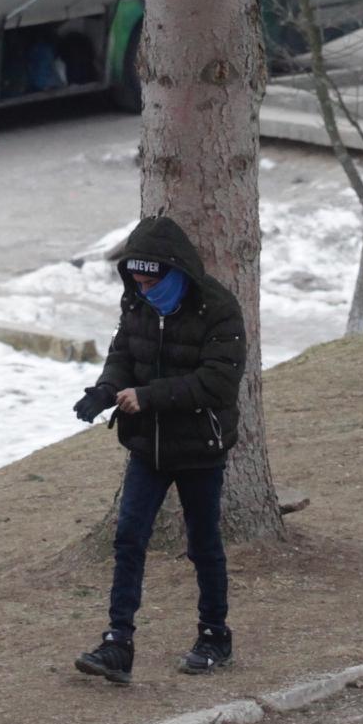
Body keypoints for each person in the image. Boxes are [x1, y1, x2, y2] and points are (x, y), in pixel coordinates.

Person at [69, 214, 247, 686]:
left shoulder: (220, 309)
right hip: (148, 445)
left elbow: (218, 382)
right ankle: (117, 642)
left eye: (152, 278)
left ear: (176, 271)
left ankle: (215, 635)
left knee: (203, 544)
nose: (145, 287)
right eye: (137, 278)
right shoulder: (138, 304)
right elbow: (123, 355)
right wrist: (105, 391)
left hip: (199, 446)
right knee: (128, 538)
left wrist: (149, 396)